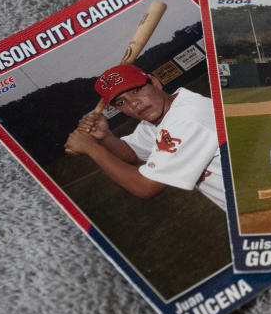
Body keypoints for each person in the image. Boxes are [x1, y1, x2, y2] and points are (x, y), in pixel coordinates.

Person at [65, 64, 226, 211]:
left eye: (136, 90)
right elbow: (131, 154)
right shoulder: (159, 118)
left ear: (155, 82)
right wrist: (105, 137)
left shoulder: (187, 117)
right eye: (121, 102)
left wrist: (92, 148)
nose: (133, 103)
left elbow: (144, 187)